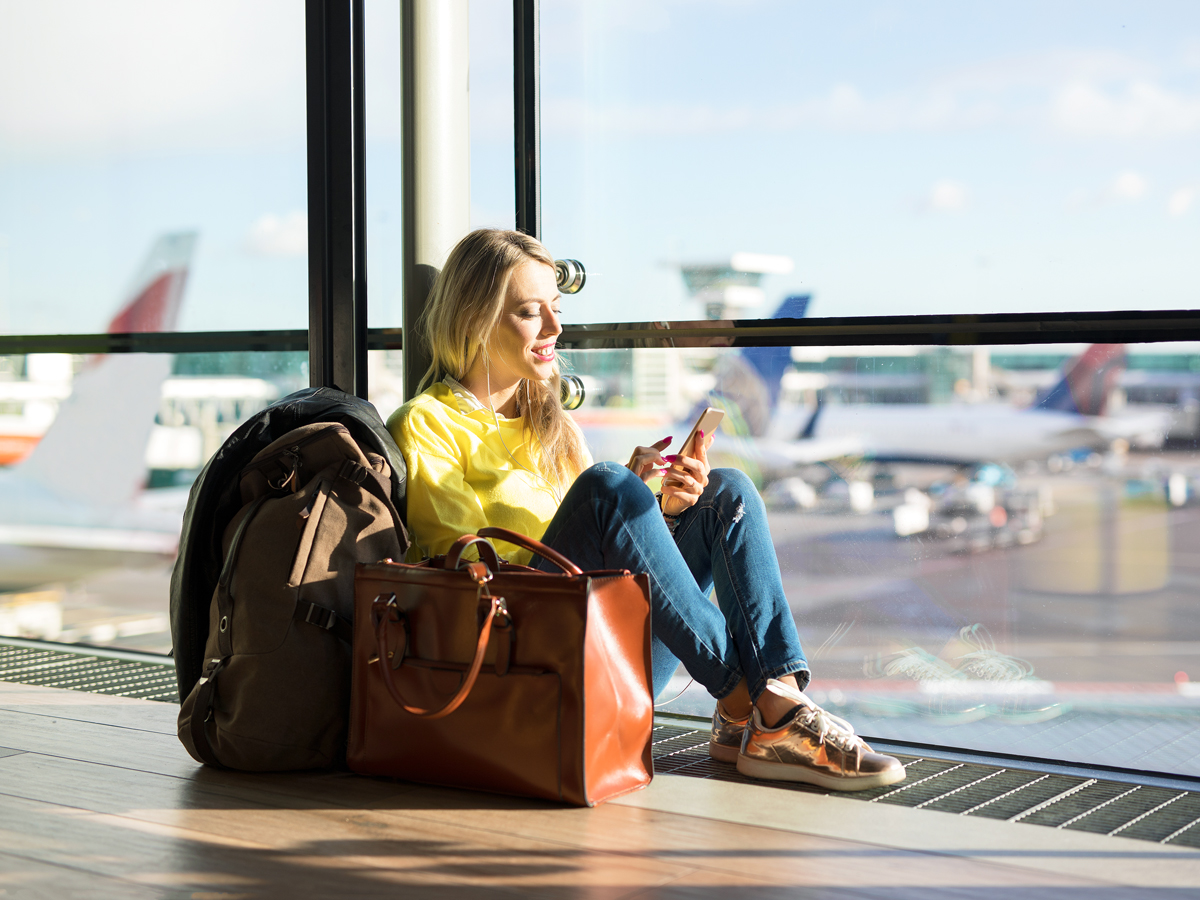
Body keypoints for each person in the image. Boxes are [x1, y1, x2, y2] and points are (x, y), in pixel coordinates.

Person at [387, 228, 904, 791]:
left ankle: (755, 711)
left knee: (725, 493)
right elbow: (466, 580)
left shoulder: (551, 425)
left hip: (595, 640)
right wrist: (612, 500)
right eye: (530, 312)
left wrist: (656, 512)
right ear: (476, 317)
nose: (555, 330)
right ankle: (756, 706)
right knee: (608, 485)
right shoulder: (427, 423)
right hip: (523, 661)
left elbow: (597, 558)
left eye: (556, 310)